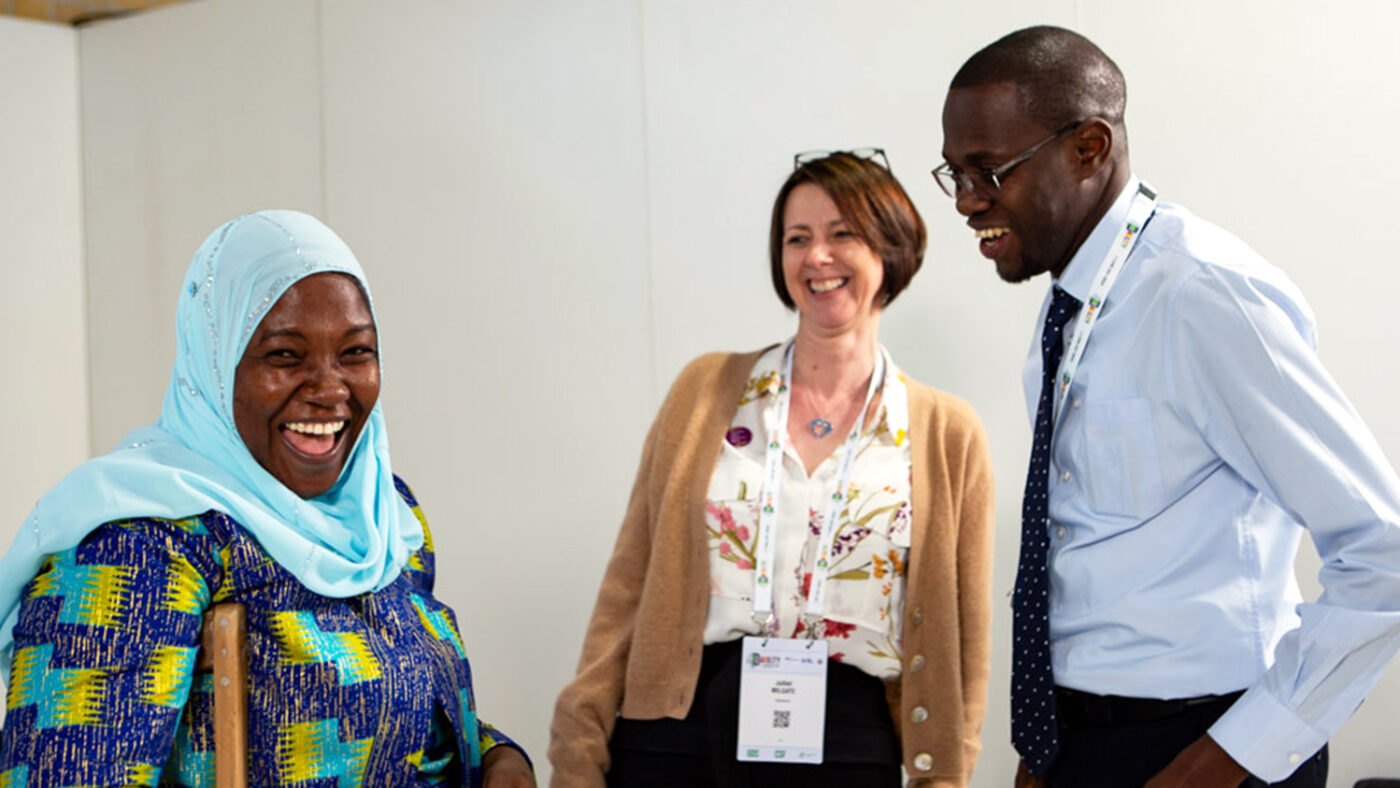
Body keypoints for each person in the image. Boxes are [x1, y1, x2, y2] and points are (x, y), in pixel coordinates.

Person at [936, 25, 1400, 788]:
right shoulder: (1073, 305)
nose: (966, 201)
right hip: (1086, 741)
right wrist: (1047, 746)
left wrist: (1232, 756)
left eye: (988, 170)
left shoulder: (1204, 296)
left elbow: (1379, 550)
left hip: (1206, 744)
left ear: (1089, 147)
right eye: (953, 172)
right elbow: (1090, 552)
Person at [0, 210, 534, 787]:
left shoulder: (385, 516)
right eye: (285, 356)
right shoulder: (140, 551)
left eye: (355, 352)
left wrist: (496, 755)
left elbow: (397, 700)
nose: (330, 389)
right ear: (213, 364)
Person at [548, 150, 995, 787]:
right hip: (675, 734)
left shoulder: (948, 433)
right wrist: (578, 750)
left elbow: (965, 643)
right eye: (798, 239)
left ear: (891, 249)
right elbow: (627, 587)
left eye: (843, 233)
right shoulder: (705, 391)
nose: (818, 257)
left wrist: (945, 777)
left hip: (847, 737)